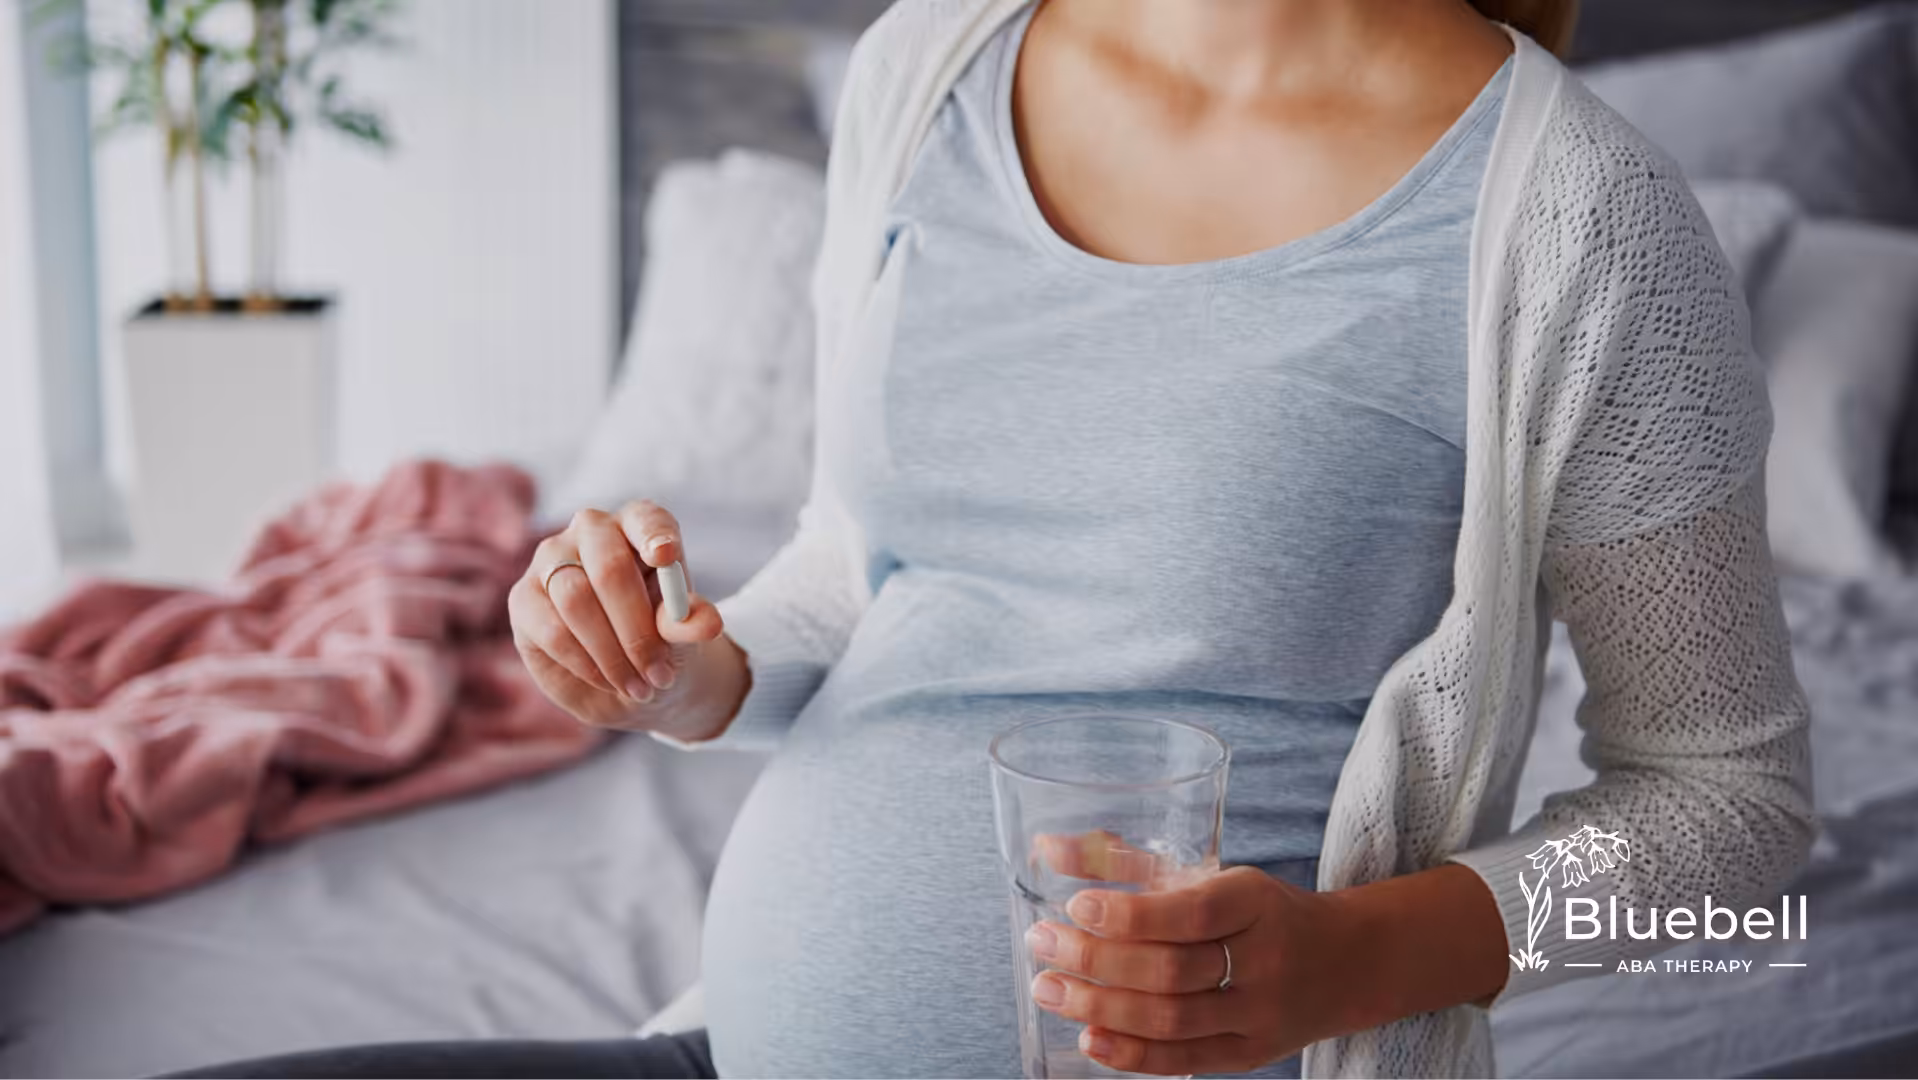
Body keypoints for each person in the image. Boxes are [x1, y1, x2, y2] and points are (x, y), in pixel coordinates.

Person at [180, 0, 1813, 1076]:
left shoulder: (1578, 217)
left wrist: (1345, 964)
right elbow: (860, 563)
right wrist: (700, 673)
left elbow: (1733, 823)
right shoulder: (930, 69)